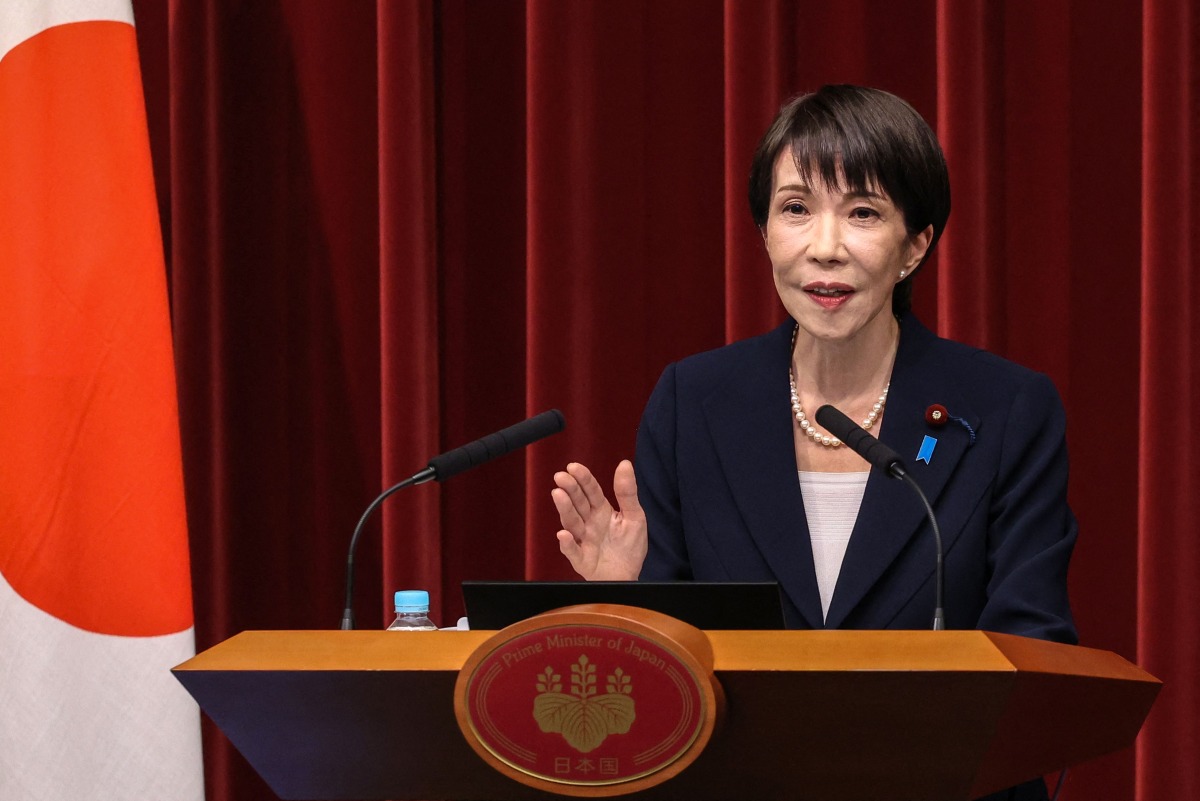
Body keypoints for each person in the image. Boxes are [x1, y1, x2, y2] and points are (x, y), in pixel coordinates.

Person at [550, 85, 1076, 801]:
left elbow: (1032, 648)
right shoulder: (695, 403)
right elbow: (670, 682)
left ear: (916, 244)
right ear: (765, 232)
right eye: (796, 208)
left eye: (863, 212)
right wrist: (627, 597)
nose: (824, 247)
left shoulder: (1004, 409)